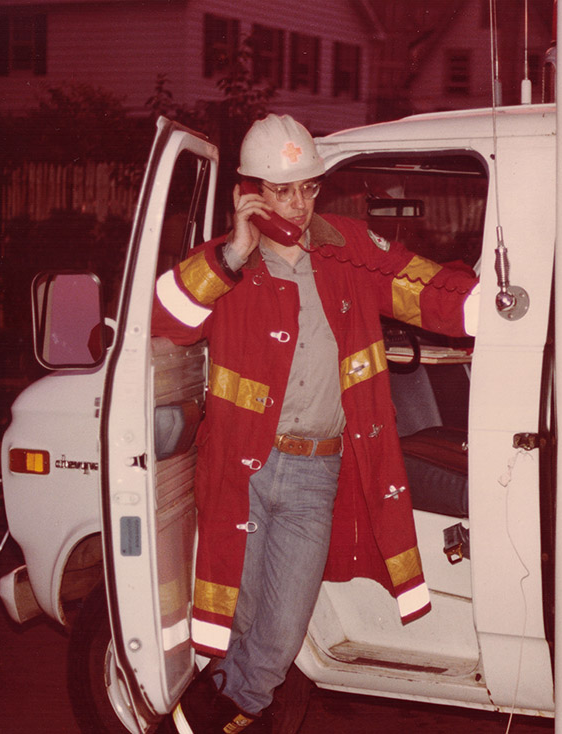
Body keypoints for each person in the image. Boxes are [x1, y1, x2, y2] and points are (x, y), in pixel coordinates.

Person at [152, 113, 480, 732]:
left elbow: (421, 288)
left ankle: (200, 715)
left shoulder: (344, 249)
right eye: (282, 191)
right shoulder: (225, 264)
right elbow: (164, 318)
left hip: (313, 472)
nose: (298, 206)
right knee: (237, 620)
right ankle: (220, 710)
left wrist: (495, 305)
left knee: (278, 635)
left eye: (307, 189)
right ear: (249, 194)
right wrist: (232, 253)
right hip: (241, 469)